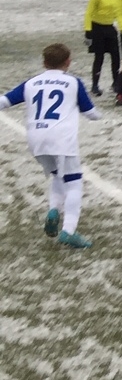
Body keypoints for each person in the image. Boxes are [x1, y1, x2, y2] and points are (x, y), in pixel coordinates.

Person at [0, 43, 101, 249]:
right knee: (74, 183)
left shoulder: (31, 83)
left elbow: (4, 101)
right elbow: (90, 112)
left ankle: (54, 210)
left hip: (36, 139)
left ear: (44, 63)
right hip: (61, 139)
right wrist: (99, 116)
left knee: (57, 176)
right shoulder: (73, 82)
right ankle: (68, 231)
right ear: (68, 62)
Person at [81, 0, 121, 96]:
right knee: (99, 57)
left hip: (110, 28)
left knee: (116, 56)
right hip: (97, 29)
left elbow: (118, 12)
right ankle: (95, 85)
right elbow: (89, 14)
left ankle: (116, 83)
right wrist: (88, 31)